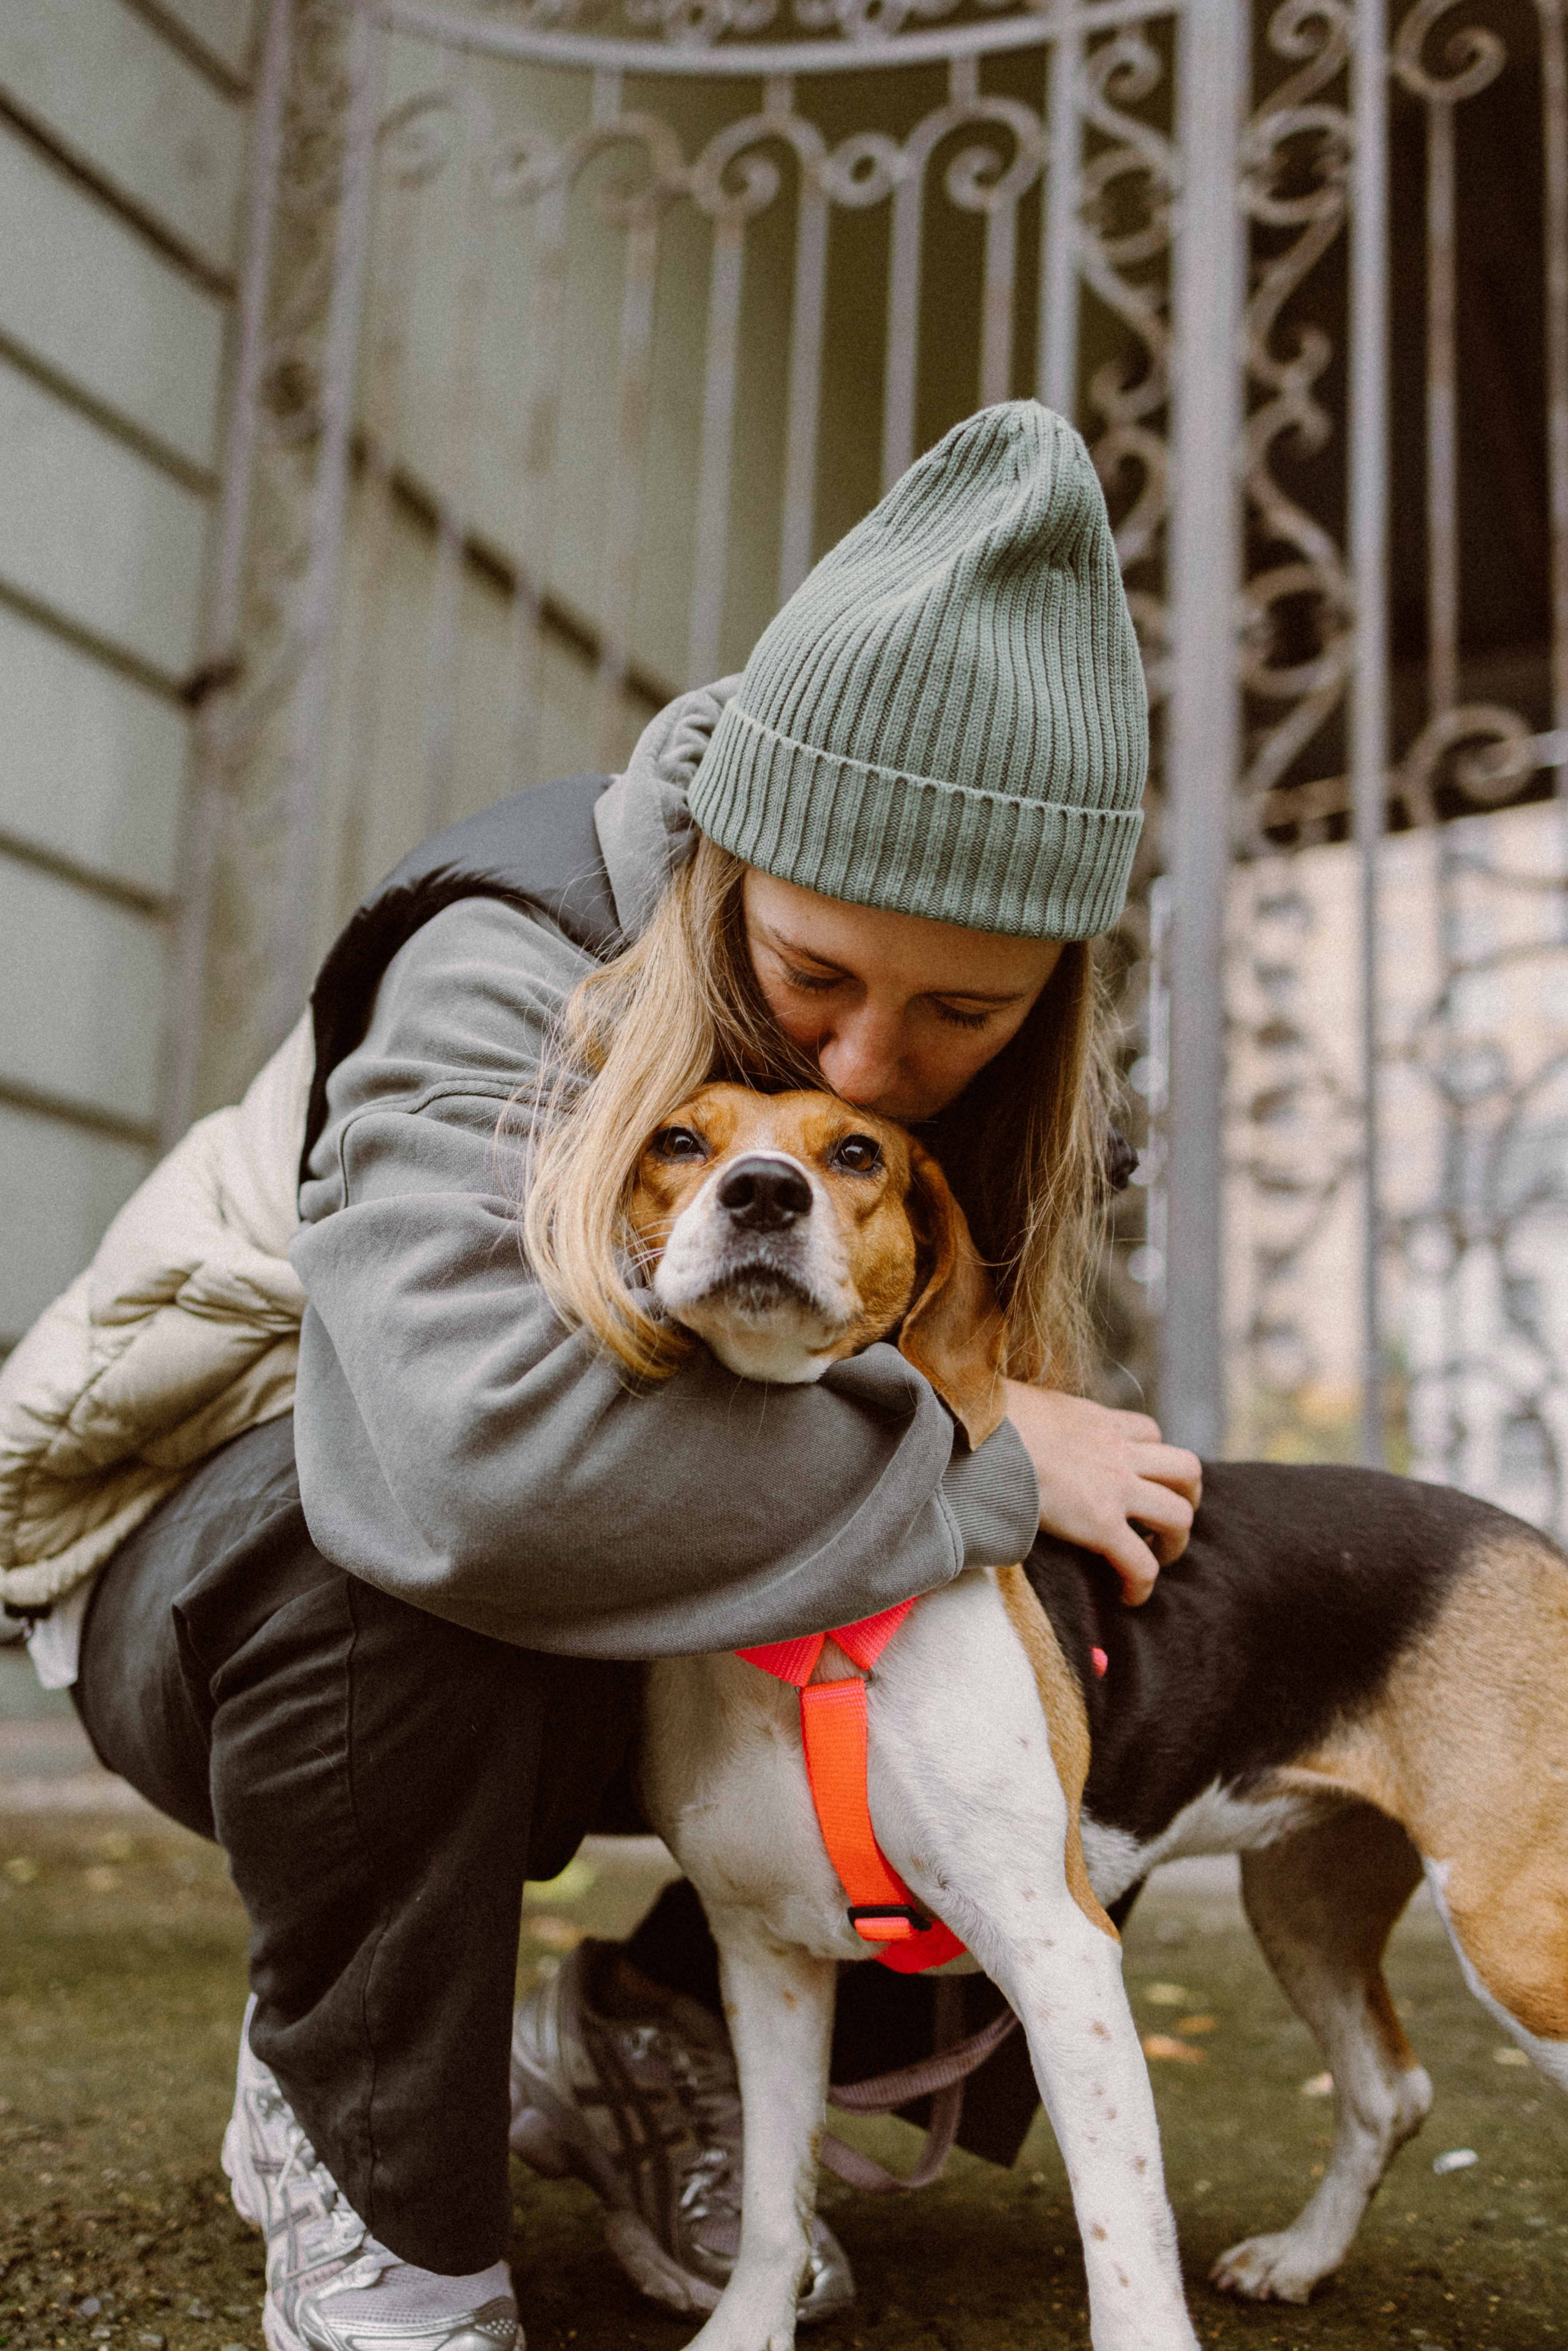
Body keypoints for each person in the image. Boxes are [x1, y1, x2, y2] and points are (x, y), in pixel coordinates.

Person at [0, 401, 1200, 2351]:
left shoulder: (1029, 1093)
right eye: (816, 980)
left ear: (1051, 988)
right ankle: (367, 2146)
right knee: (379, 1574)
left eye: (963, 1015)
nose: (881, 1063)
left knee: (1121, 1574)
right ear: (731, 867)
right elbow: (454, 1474)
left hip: (621, 1594)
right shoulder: (508, 940)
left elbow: (1028, 1428)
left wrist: (1018, 1483)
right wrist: (973, 1470)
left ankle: (648, 2030)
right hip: (221, 1562)